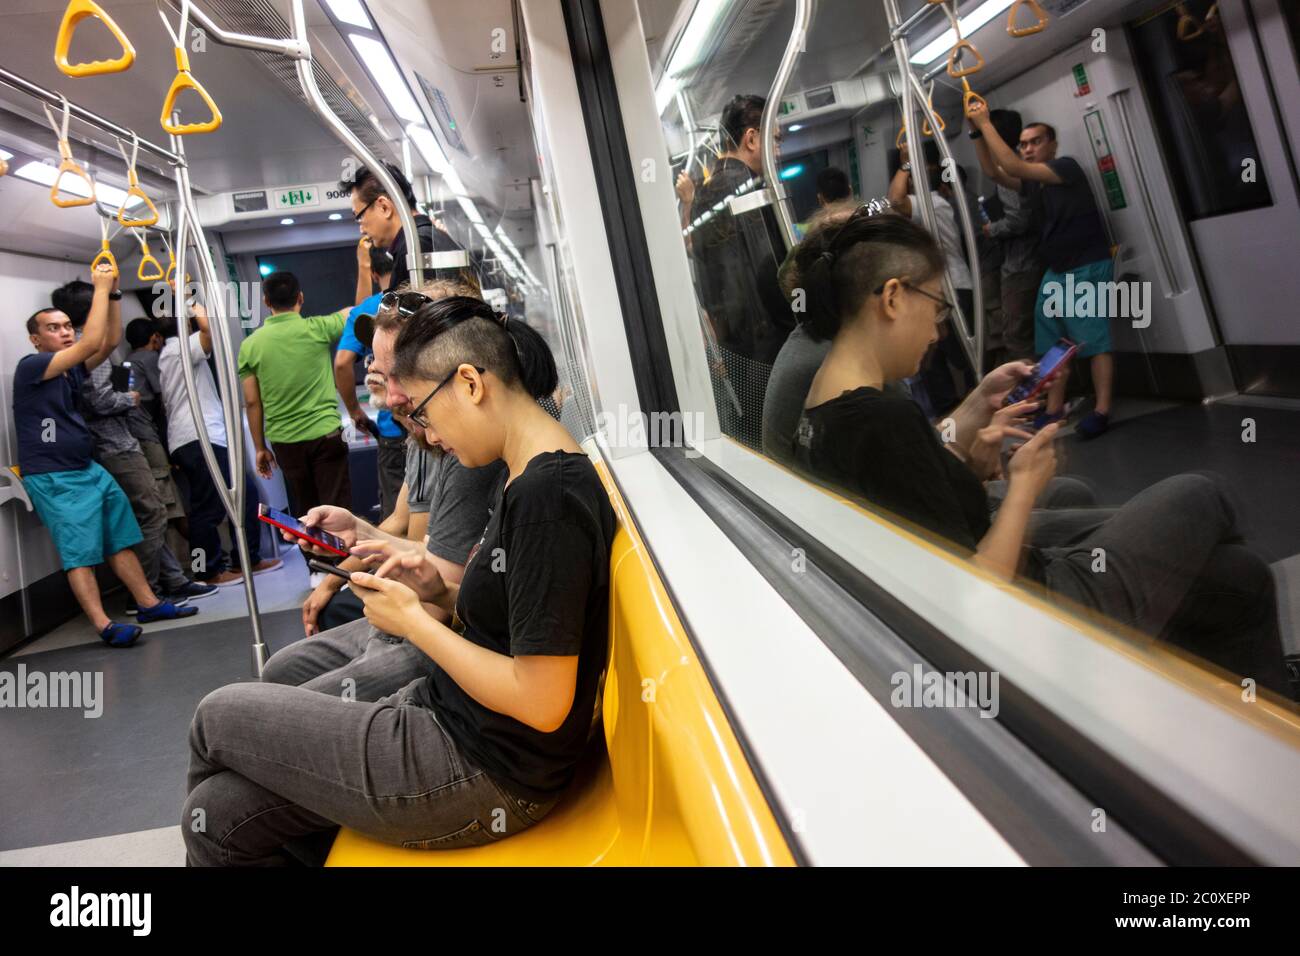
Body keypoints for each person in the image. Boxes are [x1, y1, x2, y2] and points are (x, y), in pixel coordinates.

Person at [183, 295, 616, 865]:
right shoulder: (526, 476)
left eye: (426, 413)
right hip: (451, 720)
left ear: (469, 383)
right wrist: (439, 594)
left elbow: (541, 701)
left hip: (481, 770)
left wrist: (414, 621)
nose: (431, 436)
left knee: (216, 715)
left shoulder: (545, 497)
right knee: (217, 812)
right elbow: (522, 618)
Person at [789, 212, 1291, 697]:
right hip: (1034, 607)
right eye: (937, 306)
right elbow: (974, 591)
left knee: (1239, 576)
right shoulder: (883, 419)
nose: (937, 331)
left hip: (997, 569)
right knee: (1202, 494)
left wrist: (976, 413)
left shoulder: (821, 404)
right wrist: (1024, 487)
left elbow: (909, 485)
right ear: (894, 298)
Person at [264, 279, 505, 700]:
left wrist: (363, 572)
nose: (392, 395)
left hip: (428, 638)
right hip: (409, 622)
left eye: (399, 376)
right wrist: (358, 535)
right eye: (380, 373)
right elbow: (409, 534)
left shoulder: (469, 454)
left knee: (249, 711)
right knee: (277, 673)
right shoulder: (426, 440)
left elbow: (433, 592)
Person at [14, 265, 195, 646]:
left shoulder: (70, 371)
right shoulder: (33, 368)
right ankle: (103, 625)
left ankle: (148, 601)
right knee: (80, 553)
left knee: (120, 538)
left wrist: (112, 293)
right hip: (54, 476)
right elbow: (89, 340)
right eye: (53, 328)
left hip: (87, 467)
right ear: (35, 339)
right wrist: (99, 285)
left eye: (66, 326)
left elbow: (107, 340)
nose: (64, 332)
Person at [967, 103, 1115, 438]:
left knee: (1093, 341)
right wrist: (976, 132)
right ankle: (1053, 409)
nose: (1028, 149)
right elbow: (994, 171)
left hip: (1085, 264)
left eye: (1035, 142)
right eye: (1024, 144)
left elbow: (1011, 164)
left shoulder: (1065, 168)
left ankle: (1103, 409)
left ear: (1052, 145)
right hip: (1057, 268)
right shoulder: (1034, 185)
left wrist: (984, 121)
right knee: (1051, 343)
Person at [677, 93, 795, 449]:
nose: (777, 151)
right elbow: (762, 272)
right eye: (773, 140)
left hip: (737, 347)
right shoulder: (745, 190)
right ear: (750, 139)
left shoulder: (706, 192)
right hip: (766, 346)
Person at [159, 295, 281, 586]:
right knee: (208, 508)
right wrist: (188, 299)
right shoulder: (179, 349)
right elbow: (208, 330)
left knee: (247, 495)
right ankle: (207, 570)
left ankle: (246, 560)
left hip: (200, 437)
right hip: (198, 437)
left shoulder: (173, 352)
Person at [238, 271, 352, 515]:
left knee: (306, 509)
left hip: (285, 443)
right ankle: (343, 555)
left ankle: (315, 554)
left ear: (266, 302)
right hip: (326, 435)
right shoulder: (319, 328)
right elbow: (354, 313)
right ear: (300, 297)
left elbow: (252, 402)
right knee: (337, 509)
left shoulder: (250, 346)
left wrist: (260, 447)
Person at [886, 143, 976, 416]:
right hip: (944, 289)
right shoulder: (935, 203)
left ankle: (973, 406)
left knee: (960, 354)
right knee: (931, 351)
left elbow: (895, 200)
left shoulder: (931, 203)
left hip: (952, 288)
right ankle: (949, 407)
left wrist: (905, 164)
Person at [335, 238, 407, 519]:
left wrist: (354, 411)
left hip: (393, 429)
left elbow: (342, 363)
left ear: (375, 274)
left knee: (395, 512)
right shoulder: (420, 297)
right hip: (433, 422)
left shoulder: (366, 310)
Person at [972, 109, 1043, 363]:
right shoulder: (1018, 165)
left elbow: (1019, 220)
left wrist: (993, 229)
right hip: (1031, 258)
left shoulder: (1011, 168)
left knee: (1016, 335)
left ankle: (1037, 396)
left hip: (1021, 263)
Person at [339, 162, 467, 294]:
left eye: (360, 217)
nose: (361, 230)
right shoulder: (432, 237)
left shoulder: (414, 248)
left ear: (384, 207)